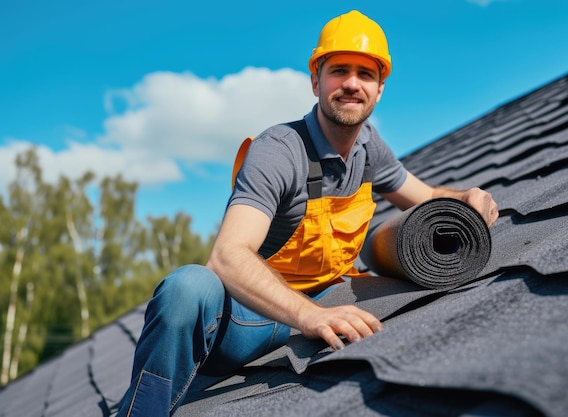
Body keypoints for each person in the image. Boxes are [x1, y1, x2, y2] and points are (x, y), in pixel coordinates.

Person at [115, 9, 498, 417]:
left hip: (330, 295)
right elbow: (227, 255)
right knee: (187, 287)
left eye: (365, 74)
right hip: (254, 319)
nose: (352, 84)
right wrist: (309, 316)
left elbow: (425, 197)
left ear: (380, 88)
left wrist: (465, 198)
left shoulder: (370, 149)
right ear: (316, 79)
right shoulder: (278, 150)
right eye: (339, 71)